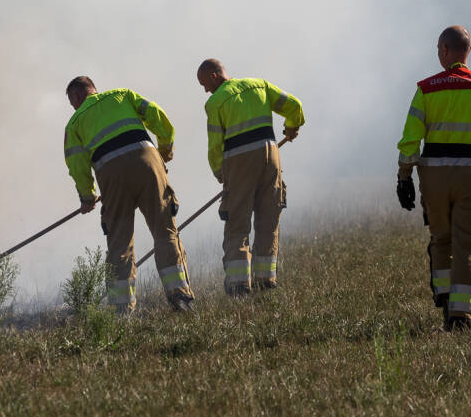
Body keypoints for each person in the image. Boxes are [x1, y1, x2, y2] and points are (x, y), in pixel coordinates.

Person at [396, 25, 471, 331]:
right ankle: (462, 318)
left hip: (434, 178)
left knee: (441, 239)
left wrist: (404, 176)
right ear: (468, 51)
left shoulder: (426, 89)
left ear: (446, 50)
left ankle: (446, 299)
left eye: (439, 49)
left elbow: (410, 139)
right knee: (467, 244)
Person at [63, 76, 195, 313]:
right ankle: (180, 296)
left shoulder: (74, 123)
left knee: (119, 243)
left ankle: (122, 310)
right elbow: (157, 116)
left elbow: (77, 164)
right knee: (165, 231)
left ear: (77, 96)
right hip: (147, 163)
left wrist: (87, 197)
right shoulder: (122, 94)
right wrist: (165, 149)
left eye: (72, 102)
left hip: (111, 174)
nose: (74, 107)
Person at [197, 59, 305, 296]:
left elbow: (215, 145)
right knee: (268, 219)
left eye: (204, 84)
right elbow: (294, 105)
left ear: (214, 76)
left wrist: (221, 174)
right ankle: (265, 281)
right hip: (271, 156)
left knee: (237, 222)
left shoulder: (215, 103)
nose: (205, 90)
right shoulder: (260, 85)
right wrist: (292, 125)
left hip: (239, 163)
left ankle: (239, 286)